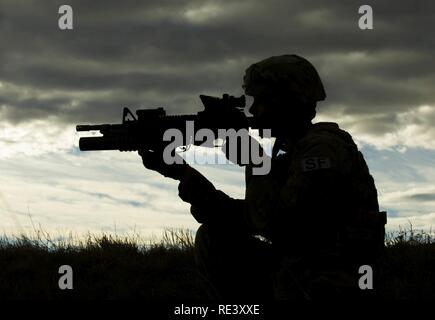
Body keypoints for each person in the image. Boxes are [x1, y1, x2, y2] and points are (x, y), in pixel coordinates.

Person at [139, 54, 386, 299]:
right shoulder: (292, 152)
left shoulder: (323, 149)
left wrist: (252, 157)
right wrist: (183, 174)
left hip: (331, 280)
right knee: (214, 236)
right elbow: (250, 216)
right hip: (301, 267)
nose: (253, 110)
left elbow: (278, 225)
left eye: (261, 100)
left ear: (287, 101)